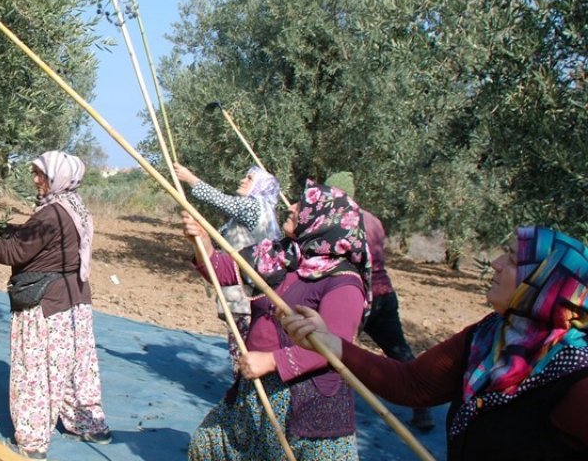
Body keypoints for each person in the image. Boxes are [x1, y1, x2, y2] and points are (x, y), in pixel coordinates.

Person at [281, 226, 588, 460]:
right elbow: (413, 384)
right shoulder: (490, 336)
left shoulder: (575, 377)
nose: (494, 263)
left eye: (511, 259)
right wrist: (333, 345)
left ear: (546, 282)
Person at [184, 181, 371, 461]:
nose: (291, 207)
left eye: (302, 206)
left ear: (322, 222)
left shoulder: (343, 284)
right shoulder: (281, 255)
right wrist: (203, 243)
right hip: (258, 391)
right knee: (208, 445)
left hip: (307, 403)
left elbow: (334, 346)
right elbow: (224, 272)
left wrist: (271, 361)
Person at [0, 150, 111, 460]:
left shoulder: (51, 215)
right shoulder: (75, 207)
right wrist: (1, 228)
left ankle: (33, 442)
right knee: (76, 368)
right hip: (75, 301)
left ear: (57, 178)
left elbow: (15, 253)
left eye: (41, 174)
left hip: (47, 304)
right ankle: (89, 425)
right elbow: (31, 238)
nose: (35, 179)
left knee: (35, 371)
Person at [322, 171, 433, 431]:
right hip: (385, 293)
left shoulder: (340, 221)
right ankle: (423, 409)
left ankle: (325, 407)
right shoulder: (372, 219)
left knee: (333, 347)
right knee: (398, 349)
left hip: (358, 295)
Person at [174, 162, 283, 360]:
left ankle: (243, 387)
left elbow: (222, 201)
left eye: (249, 178)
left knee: (243, 351)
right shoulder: (264, 212)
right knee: (246, 347)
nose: (243, 180)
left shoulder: (253, 206)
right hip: (250, 292)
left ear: (260, 185)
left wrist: (190, 179)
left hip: (244, 293)